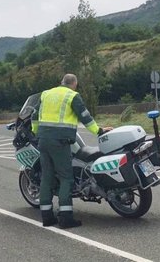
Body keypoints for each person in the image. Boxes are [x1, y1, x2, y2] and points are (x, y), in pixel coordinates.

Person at [31, 73, 112, 228]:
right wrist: (99, 131)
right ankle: (65, 218)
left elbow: (34, 115)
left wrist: (36, 132)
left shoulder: (46, 94)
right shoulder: (72, 96)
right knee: (66, 178)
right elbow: (85, 117)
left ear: (61, 82)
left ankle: (47, 218)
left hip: (43, 141)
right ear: (74, 83)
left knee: (47, 178)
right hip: (60, 142)